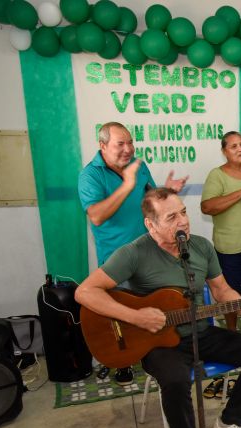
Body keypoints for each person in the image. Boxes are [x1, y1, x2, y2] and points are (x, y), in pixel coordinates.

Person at [75, 187, 241, 428]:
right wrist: (135, 316)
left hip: (201, 333)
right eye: (171, 217)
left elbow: (220, 289)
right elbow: (85, 292)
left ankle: (229, 423)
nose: (183, 221)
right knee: (176, 379)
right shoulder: (133, 252)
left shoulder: (201, 247)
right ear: (151, 224)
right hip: (158, 343)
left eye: (183, 212)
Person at [78, 121, 187, 386]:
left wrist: (168, 191)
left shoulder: (139, 165)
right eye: (120, 144)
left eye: (130, 142)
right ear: (103, 145)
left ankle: (156, 355)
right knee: (124, 311)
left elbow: (151, 200)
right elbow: (96, 215)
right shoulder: (90, 175)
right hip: (118, 258)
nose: (128, 149)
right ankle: (122, 360)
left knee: (153, 305)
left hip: (150, 252)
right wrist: (126, 184)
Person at [200, 131, 241, 332]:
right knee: (231, 294)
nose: (240, 149)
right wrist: (240, 193)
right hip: (230, 247)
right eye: (234, 146)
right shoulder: (217, 175)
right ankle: (232, 331)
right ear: (224, 151)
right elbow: (207, 207)